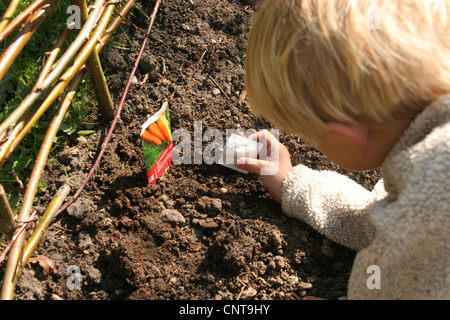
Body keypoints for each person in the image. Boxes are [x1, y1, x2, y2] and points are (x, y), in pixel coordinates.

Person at [236, 0, 450, 299]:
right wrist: (292, 183)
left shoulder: (432, 200)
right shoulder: (429, 170)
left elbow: (394, 284)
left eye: (311, 136)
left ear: (346, 137)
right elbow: (379, 220)